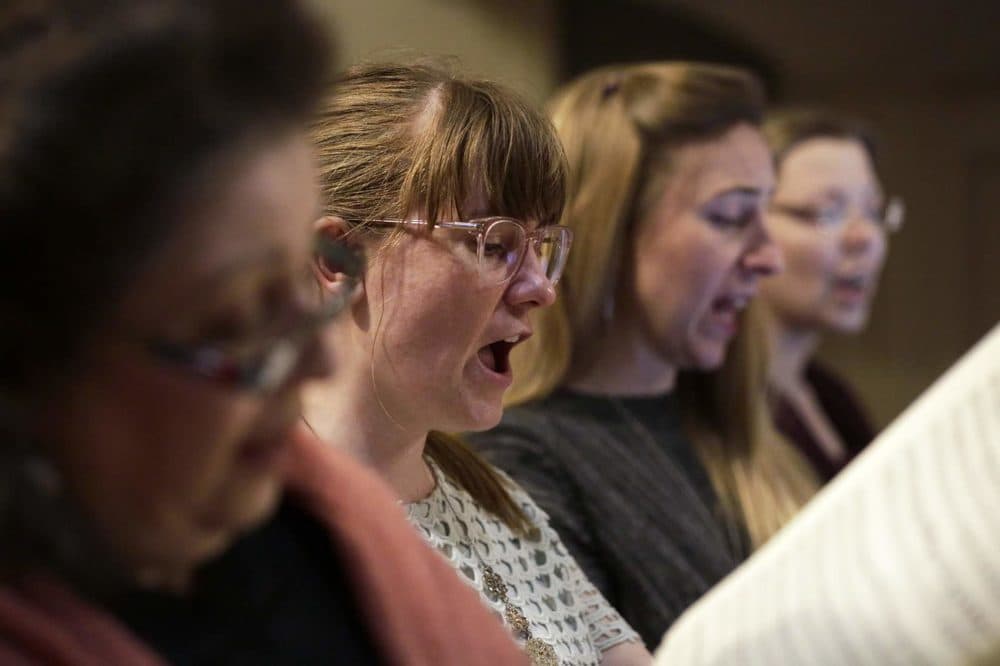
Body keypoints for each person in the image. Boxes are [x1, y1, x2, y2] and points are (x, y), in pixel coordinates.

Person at [0, 2, 529, 664]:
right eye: (237, 320)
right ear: (32, 354)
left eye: (300, 284)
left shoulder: (328, 514)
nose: (314, 363)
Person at [303, 61, 651, 665]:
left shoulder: (498, 500)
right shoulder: (254, 518)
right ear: (339, 261)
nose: (541, 288)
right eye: (494, 245)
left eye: (541, 248)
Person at [470, 62, 819, 648]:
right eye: (731, 217)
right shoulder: (521, 461)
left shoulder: (737, 430)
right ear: (610, 234)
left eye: (767, 213)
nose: (768, 258)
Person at [760, 109, 903, 482]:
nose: (866, 238)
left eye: (873, 212)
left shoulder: (832, 396)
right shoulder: (712, 408)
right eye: (829, 213)